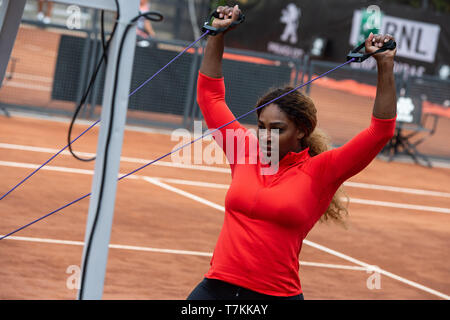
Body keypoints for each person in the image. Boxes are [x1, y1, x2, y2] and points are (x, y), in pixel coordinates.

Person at [187, 4, 397, 300]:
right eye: (261, 126)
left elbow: (380, 132)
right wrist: (217, 36)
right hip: (217, 287)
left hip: (275, 296)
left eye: (277, 128)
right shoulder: (244, 151)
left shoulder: (321, 171)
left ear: (301, 131)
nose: (265, 136)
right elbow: (210, 96)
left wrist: (385, 66)